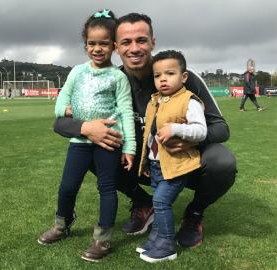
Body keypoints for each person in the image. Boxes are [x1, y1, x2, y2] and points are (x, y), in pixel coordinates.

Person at [54, 13, 236, 249]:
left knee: (222, 162)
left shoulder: (178, 76)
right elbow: (59, 124)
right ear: (116, 47)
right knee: (91, 149)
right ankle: (143, 202)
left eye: (141, 40)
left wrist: (190, 140)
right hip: (136, 164)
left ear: (153, 42)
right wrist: (85, 127)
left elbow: (221, 128)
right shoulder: (110, 79)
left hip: (180, 164)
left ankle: (194, 214)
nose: (134, 48)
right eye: (126, 42)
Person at [38, 9, 136, 262]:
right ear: (85, 46)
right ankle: (62, 225)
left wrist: (130, 149)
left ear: (113, 46)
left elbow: (126, 112)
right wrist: (65, 109)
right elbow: (62, 100)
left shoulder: (118, 77)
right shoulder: (77, 72)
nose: (97, 49)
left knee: (107, 188)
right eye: (92, 43)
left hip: (109, 142)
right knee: (68, 187)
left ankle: (102, 239)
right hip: (79, 142)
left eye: (104, 43)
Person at [137, 50, 207, 262]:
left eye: (170, 73)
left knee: (160, 202)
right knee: (160, 204)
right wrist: (148, 159)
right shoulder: (154, 101)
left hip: (178, 165)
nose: (163, 79)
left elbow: (201, 131)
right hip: (158, 165)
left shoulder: (189, 101)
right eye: (158, 76)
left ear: (183, 76)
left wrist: (176, 129)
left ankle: (167, 245)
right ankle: (156, 239)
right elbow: (150, 133)